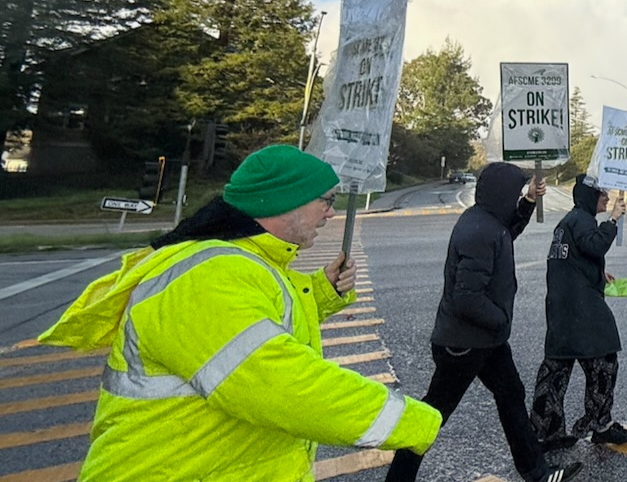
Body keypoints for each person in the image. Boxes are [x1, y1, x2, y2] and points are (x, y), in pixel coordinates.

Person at [40, 145, 443, 481]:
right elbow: (280, 384)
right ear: (285, 201)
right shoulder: (210, 277)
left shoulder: (237, 262)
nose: (331, 213)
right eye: (326, 201)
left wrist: (320, 293)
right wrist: (413, 421)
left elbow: (244, 336)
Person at [387, 163, 580, 482]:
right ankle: (398, 478)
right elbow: (466, 299)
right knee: (432, 415)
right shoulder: (480, 232)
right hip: (464, 343)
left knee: (511, 395)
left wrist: (529, 202)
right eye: (516, 190)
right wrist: (501, 318)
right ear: (501, 193)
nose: (518, 194)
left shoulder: (487, 222)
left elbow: (510, 229)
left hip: (485, 340)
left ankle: (537, 472)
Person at [530, 176, 627, 450]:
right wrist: (612, 221)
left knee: (556, 370)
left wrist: (597, 273)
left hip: (563, 309)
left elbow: (574, 256)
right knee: (604, 363)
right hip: (581, 311)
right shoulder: (582, 220)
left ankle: (546, 431)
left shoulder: (570, 221)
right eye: (602, 194)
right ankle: (599, 423)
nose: (606, 197)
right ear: (590, 197)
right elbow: (594, 245)